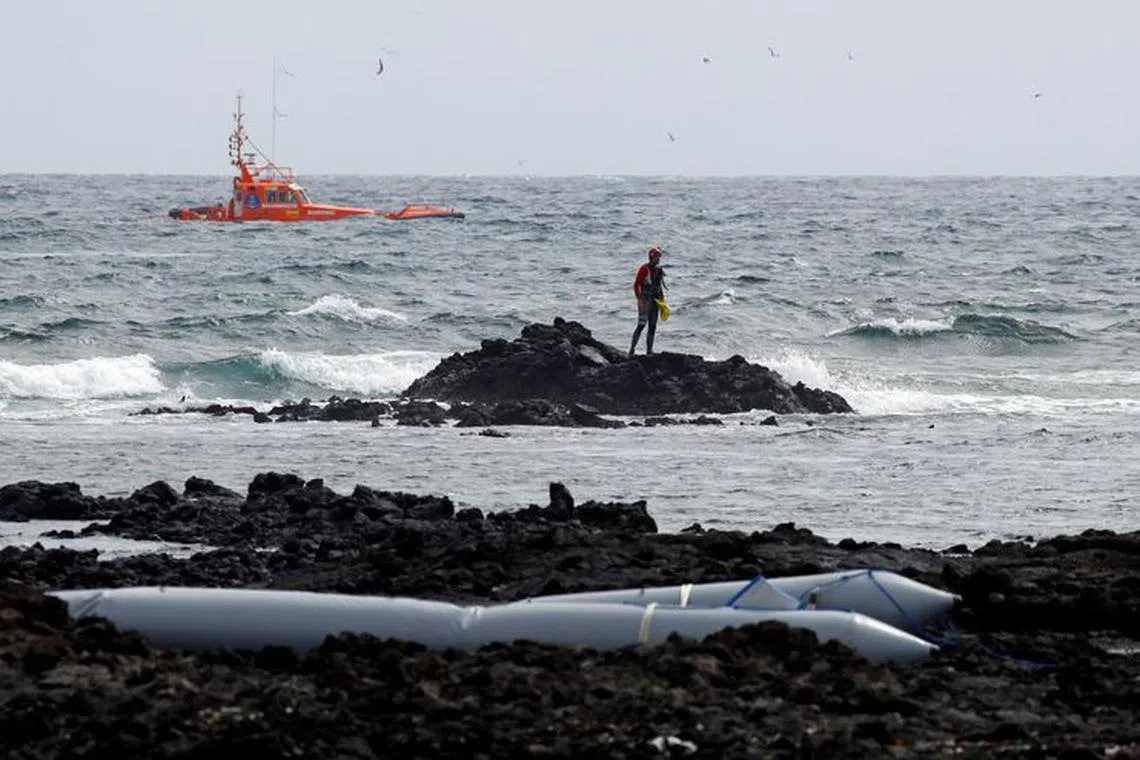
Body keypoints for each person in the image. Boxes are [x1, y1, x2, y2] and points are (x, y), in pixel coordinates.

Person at [629, 246, 667, 356]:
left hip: (655, 301)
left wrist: (663, 302)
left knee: (653, 326)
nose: (658, 259)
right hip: (645, 301)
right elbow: (636, 285)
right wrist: (639, 300)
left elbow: (659, 287)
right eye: (656, 256)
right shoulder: (644, 269)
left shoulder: (659, 270)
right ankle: (632, 349)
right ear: (651, 257)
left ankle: (649, 351)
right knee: (641, 325)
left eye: (659, 257)